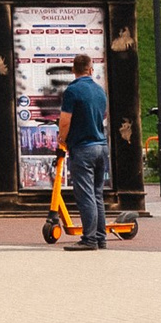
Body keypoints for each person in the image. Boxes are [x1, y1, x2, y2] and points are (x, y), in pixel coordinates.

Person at [59, 52, 110, 251]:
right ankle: (100, 237)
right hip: (101, 147)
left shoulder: (72, 91)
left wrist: (62, 139)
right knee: (97, 194)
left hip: (83, 148)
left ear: (73, 70)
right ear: (91, 69)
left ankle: (89, 240)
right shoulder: (100, 91)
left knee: (86, 194)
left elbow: (65, 120)